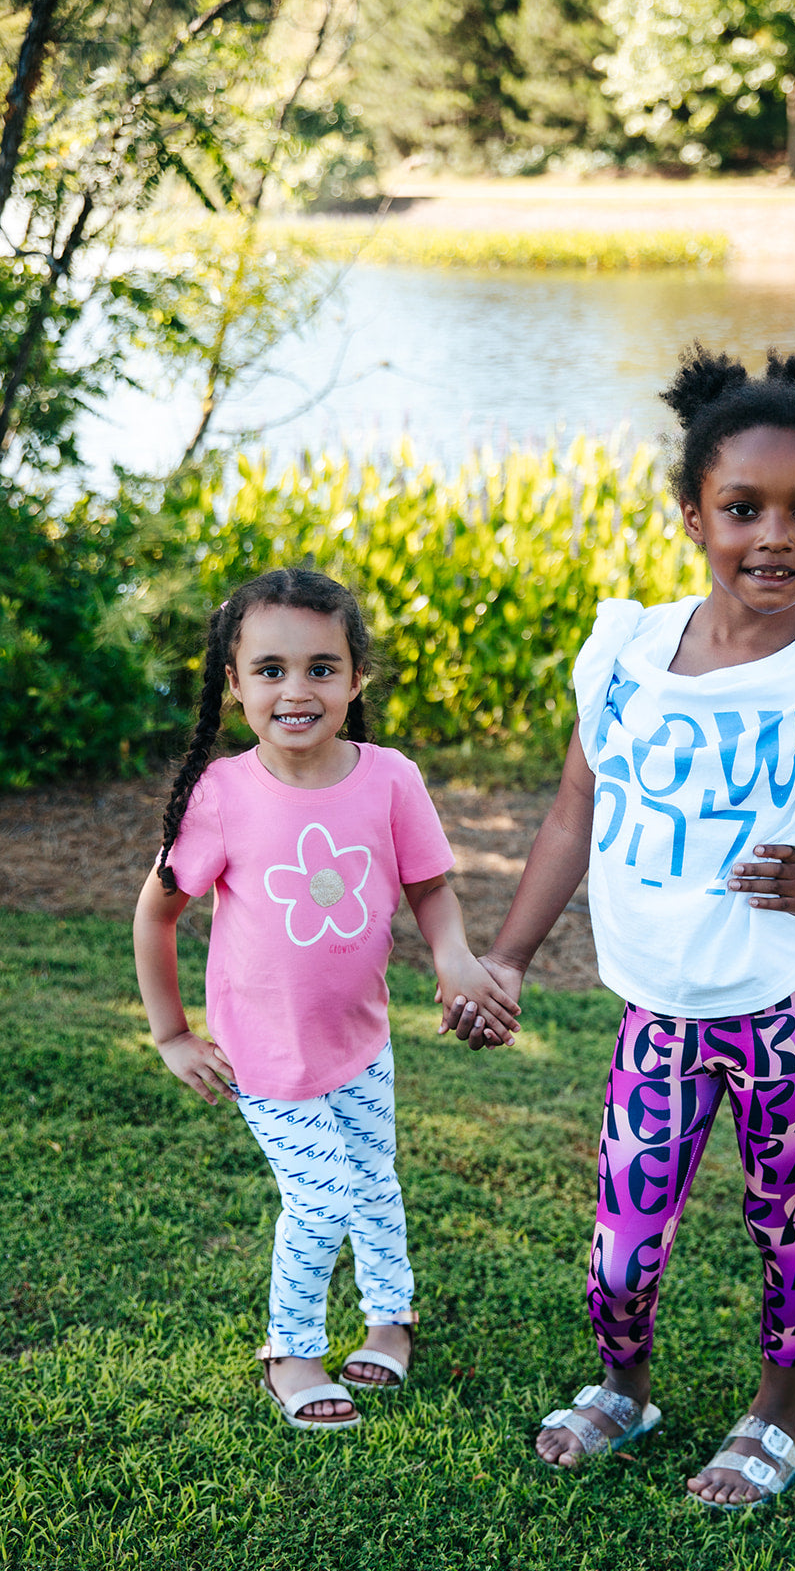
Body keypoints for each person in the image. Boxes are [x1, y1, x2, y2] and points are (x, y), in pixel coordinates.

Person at [445, 348, 795, 1507]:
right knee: (621, 1231)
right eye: (741, 508)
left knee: (778, 1216)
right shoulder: (625, 656)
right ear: (689, 513)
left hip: (781, 1015)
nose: (773, 537)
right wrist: (506, 953)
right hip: (657, 1012)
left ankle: (774, 1418)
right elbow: (571, 812)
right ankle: (625, 1389)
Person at [134, 567, 519, 1432]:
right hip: (264, 1050)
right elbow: (155, 914)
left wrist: (453, 957)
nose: (295, 690)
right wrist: (171, 1034)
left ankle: (392, 1316)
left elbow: (429, 889)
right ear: (233, 686)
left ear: (355, 679)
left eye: (320, 667)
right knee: (321, 1200)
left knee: (374, 1181)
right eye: (269, 670)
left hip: (360, 1038)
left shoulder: (389, 779)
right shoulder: (223, 796)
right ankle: (291, 1349)